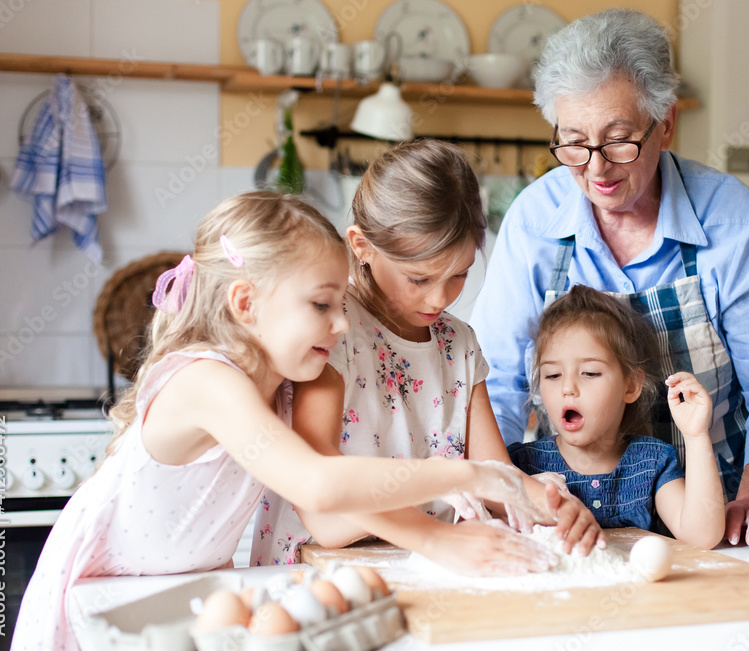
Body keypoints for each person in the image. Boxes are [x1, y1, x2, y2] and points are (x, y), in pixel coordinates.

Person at [12, 192, 548, 650]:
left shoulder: (286, 383)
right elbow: (317, 481)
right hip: (101, 592)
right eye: (321, 304)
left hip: (177, 593)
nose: (342, 323)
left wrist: (452, 524)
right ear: (245, 302)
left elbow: (337, 491)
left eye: (341, 302)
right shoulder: (207, 381)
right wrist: (463, 477)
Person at [470, 9, 749, 550]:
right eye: (573, 143)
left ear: (667, 123)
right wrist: (507, 501)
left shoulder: (737, 226)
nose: (597, 168)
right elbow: (496, 387)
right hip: (570, 523)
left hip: (713, 520)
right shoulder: (535, 223)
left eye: (619, 140)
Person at [252, 141, 604, 574]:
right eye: (418, 278)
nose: (440, 297)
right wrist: (436, 492)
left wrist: (556, 508)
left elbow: (495, 476)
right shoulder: (332, 333)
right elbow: (322, 510)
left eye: (459, 274)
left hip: (427, 565)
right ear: (361, 246)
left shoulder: (459, 345)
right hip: (320, 572)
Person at [508, 285, 725, 549]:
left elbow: (701, 536)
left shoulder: (651, 463)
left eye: (589, 373)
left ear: (631, 386)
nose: (567, 388)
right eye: (553, 375)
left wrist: (695, 435)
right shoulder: (522, 467)